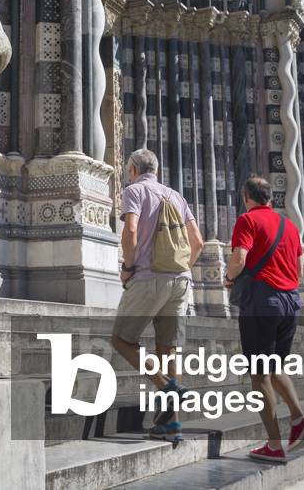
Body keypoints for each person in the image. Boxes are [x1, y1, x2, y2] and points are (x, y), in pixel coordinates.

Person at [110, 149, 205, 442]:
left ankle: (165, 386)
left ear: (133, 170)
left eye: (128, 170)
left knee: (122, 339)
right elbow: (198, 242)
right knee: (168, 349)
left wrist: (128, 267)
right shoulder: (175, 195)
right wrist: (181, 271)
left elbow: (131, 232)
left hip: (148, 277)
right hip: (181, 281)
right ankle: (171, 424)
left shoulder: (134, 191)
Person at [224, 176, 304, 464]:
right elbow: (300, 269)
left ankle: (274, 445)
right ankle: (299, 418)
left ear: (245, 196)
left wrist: (228, 278)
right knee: (275, 366)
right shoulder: (290, 226)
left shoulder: (247, 221)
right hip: (290, 302)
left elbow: (239, 258)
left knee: (259, 374)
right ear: (271, 199)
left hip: (263, 301)